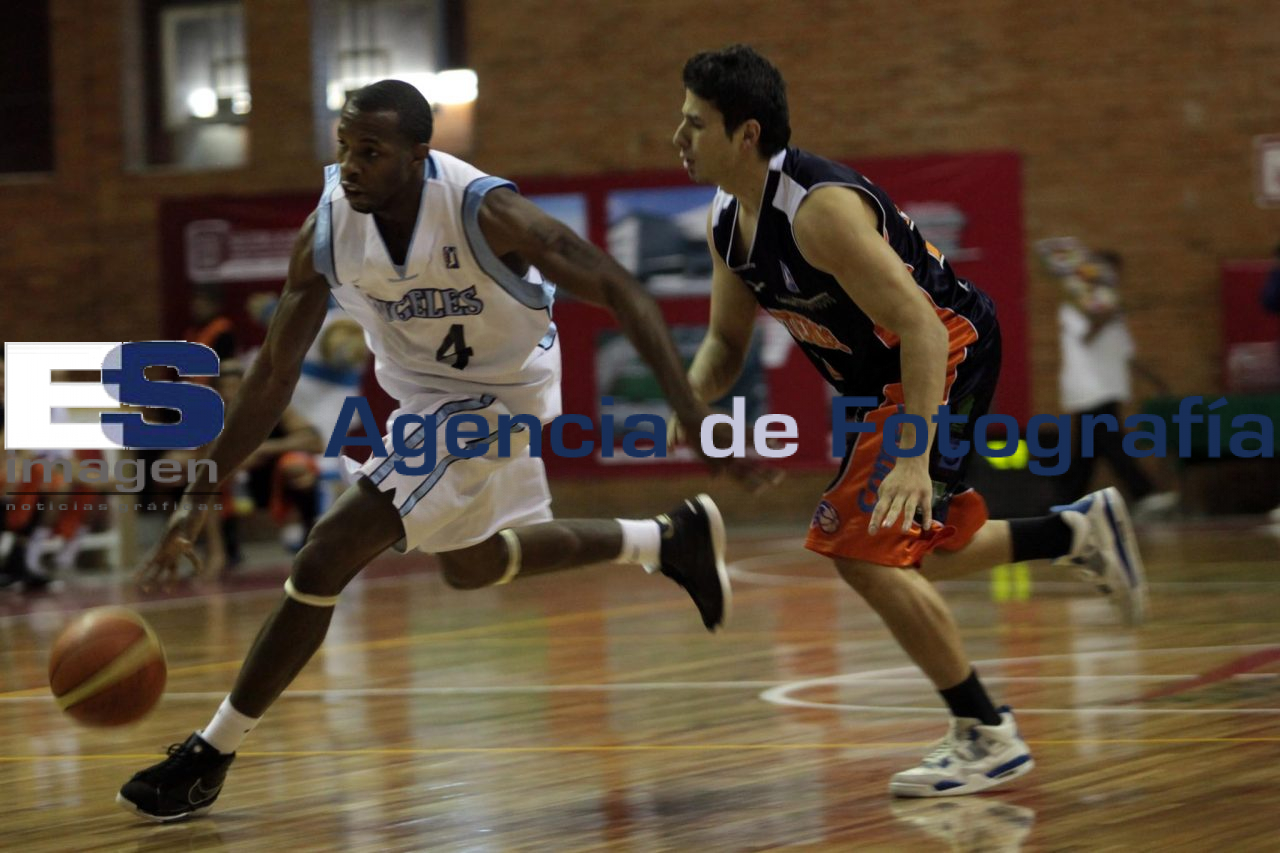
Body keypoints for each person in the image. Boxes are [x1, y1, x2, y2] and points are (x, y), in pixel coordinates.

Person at [117, 79, 771, 822]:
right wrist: (202, 493)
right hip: (424, 396)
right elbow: (272, 375)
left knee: (325, 553)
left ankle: (211, 753)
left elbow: (626, 293)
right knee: (474, 564)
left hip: (503, 391)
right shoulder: (329, 230)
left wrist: (694, 416)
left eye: (372, 151)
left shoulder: (487, 213)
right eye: (344, 148)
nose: (352, 165)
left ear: (420, 156)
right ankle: (667, 538)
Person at [670, 45, 1146, 798]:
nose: (678, 138)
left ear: (746, 134)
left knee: (859, 546)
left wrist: (913, 456)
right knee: (912, 549)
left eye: (695, 123)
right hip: (883, 377)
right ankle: (1076, 531)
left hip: (943, 350)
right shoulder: (727, 222)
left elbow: (923, 328)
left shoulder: (820, 211)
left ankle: (986, 731)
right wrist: (693, 400)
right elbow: (726, 344)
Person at [1055, 250, 1176, 516]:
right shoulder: (1077, 304)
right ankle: (1143, 492)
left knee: (1088, 452)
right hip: (1089, 387)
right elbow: (1086, 336)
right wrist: (1106, 314)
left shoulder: (1111, 307)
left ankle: (1064, 503)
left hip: (1108, 386)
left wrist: (1152, 378)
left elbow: (1124, 351)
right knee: (1110, 442)